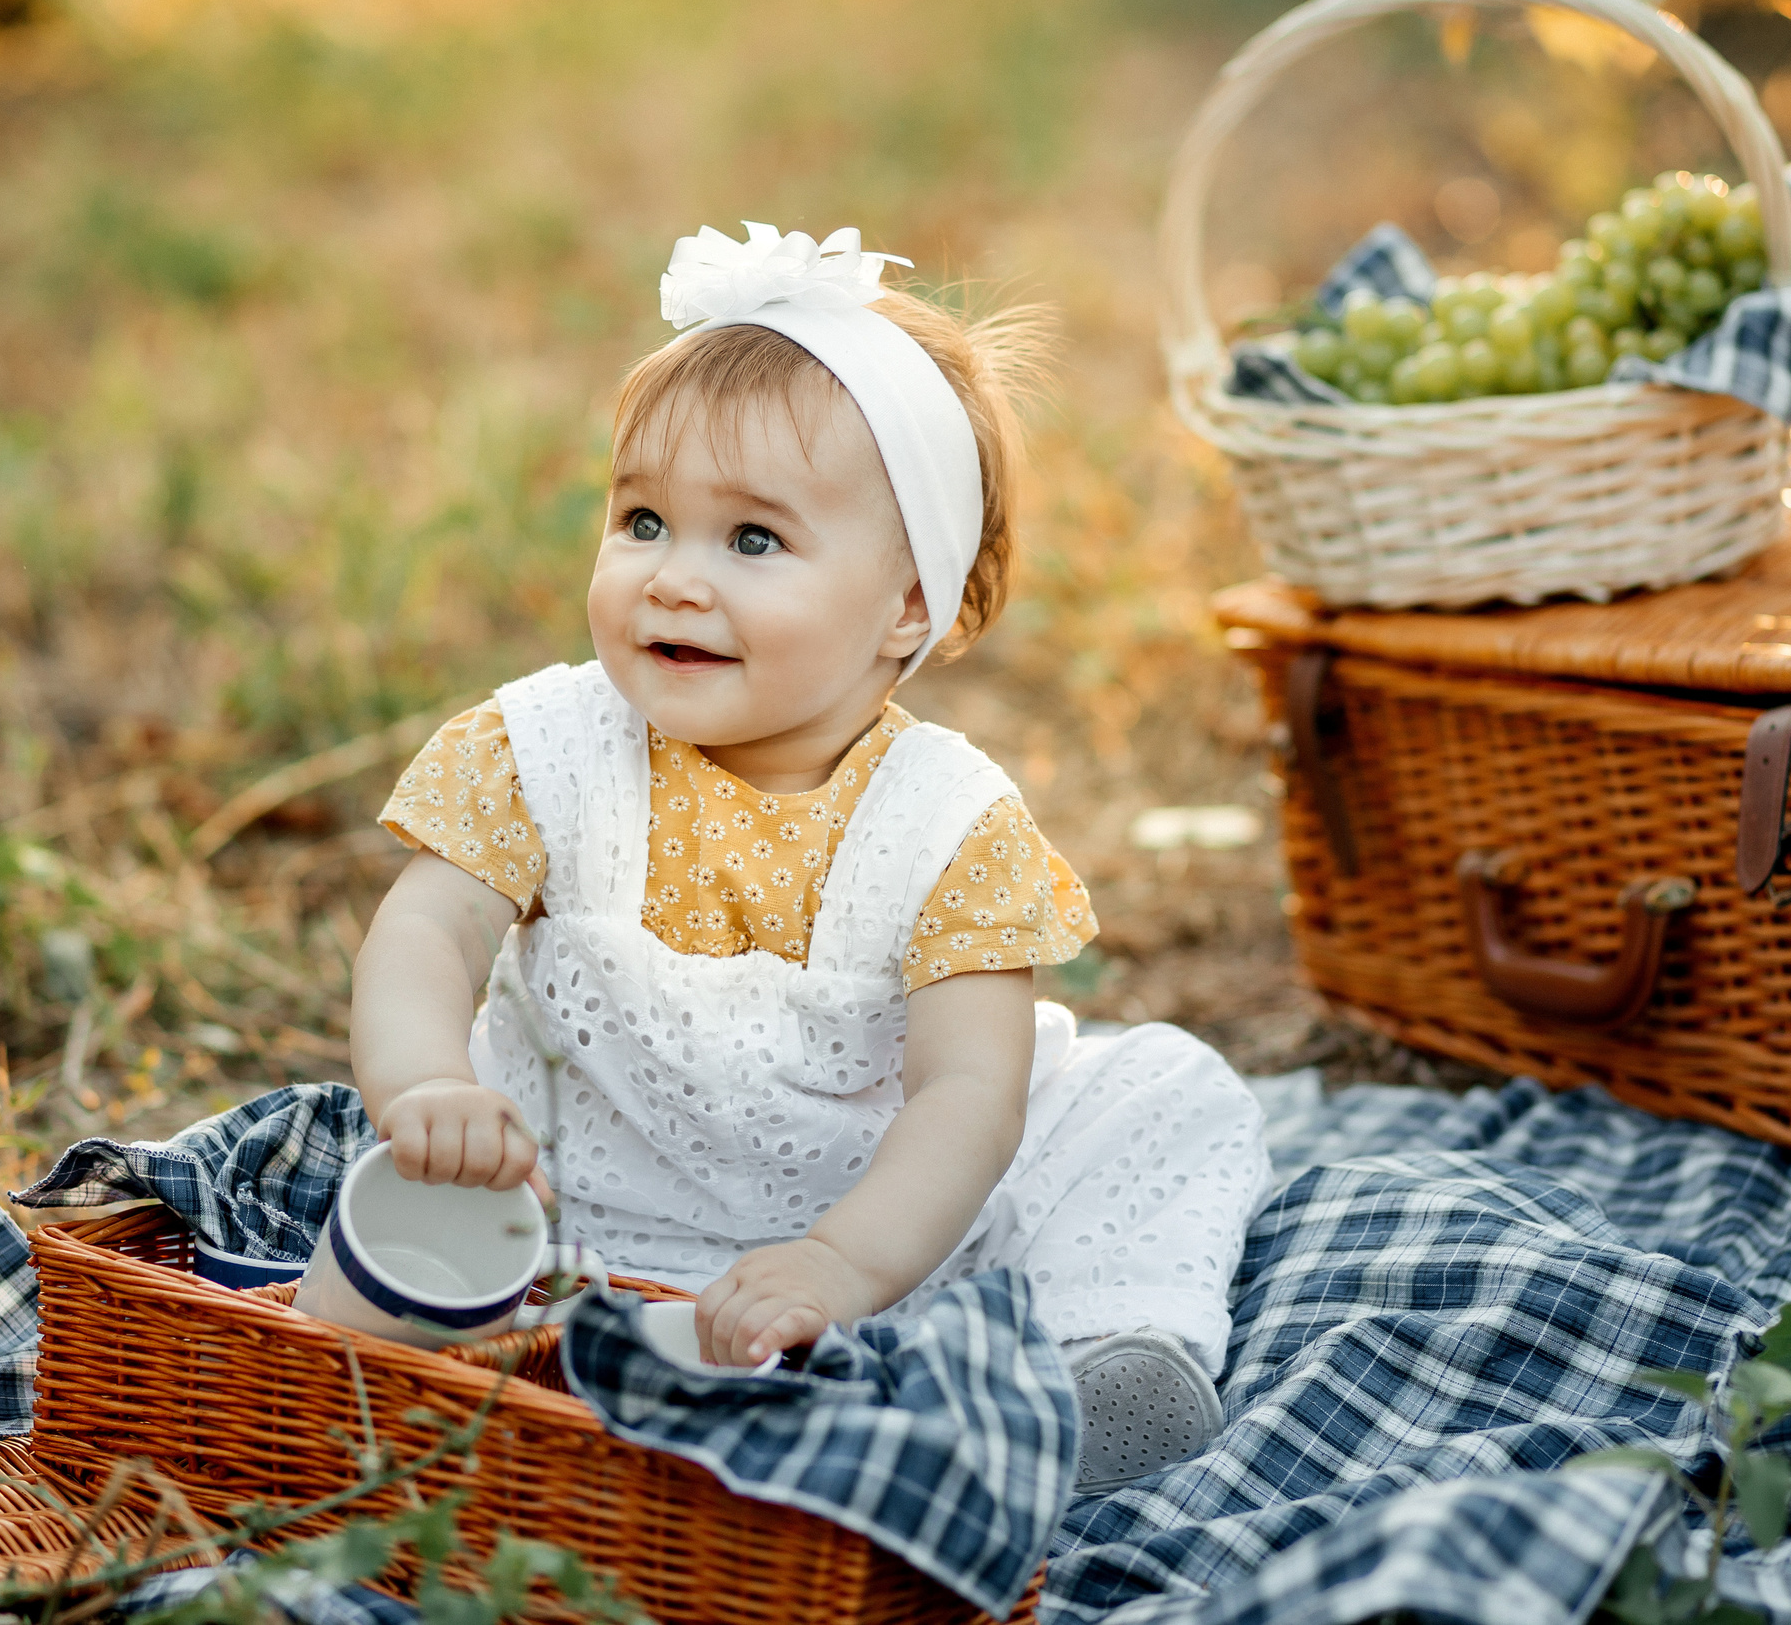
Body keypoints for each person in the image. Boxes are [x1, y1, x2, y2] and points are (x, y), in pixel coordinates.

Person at [350, 223, 1272, 1493]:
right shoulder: (546, 745)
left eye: (752, 542)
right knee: (386, 1252)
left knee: (1160, 1098)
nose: (673, 580)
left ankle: (1102, 1365)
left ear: (908, 606)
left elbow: (965, 1097)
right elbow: (429, 931)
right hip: (573, 1214)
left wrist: (844, 1265)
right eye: (644, 519)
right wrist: (420, 1089)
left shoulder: (949, 825)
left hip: (887, 1233)